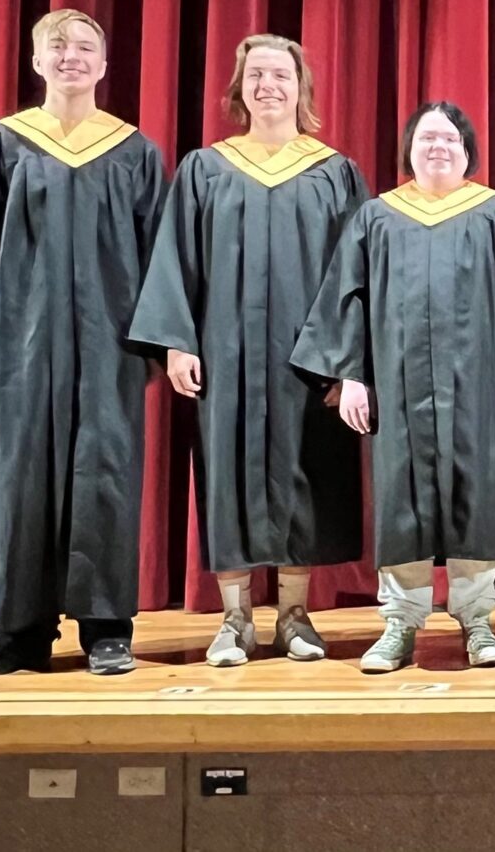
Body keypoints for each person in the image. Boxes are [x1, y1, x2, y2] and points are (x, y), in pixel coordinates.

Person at [293, 102, 495, 673]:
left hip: (479, 389)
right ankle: (400, 623)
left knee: (477, 498)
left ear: (467, 151)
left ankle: (478, 620)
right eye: (426, 138)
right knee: (402, 502)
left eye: (448, 139)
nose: (437, 147)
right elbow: (347, 297)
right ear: (409, 150)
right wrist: (351, 375)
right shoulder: (377, 217)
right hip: (398, 389)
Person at [130, 34, 366, 667]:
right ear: (240, 89)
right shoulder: (206, 169)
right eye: (256, 74)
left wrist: (347, 362)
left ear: (300, 87)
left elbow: (357, 274)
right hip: (225, 354)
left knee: (305, 473)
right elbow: (176, 258)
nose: (268, 86)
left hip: (308, 359)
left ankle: (294, 615)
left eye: (280, 74)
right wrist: (177, 342)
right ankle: (235, 618)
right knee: (227, 474)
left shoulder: (334, 172)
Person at [0, 10, 165, 676]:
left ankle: (107, 628)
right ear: (36, 62)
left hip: (109, 342)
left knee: (105, 476)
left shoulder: (134, 151)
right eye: (57, 47)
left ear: (104, 65)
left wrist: (159, 343)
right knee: (17, 479)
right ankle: (18, 632)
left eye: (85, 47)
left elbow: (160, 257)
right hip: (18, 341)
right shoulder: (5, 143)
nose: (71, 57)